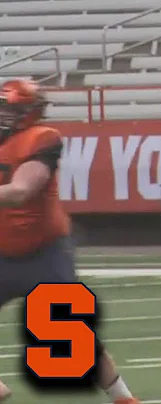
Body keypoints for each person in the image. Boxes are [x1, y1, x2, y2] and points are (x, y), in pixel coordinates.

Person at [0, 80, 140, 404]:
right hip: (2, 250)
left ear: (28, 113)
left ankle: (123, 398)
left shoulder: (41, 138)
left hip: (43, 251)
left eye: (10, 108)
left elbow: (22, 190)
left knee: (69, 333)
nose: (3, 114)